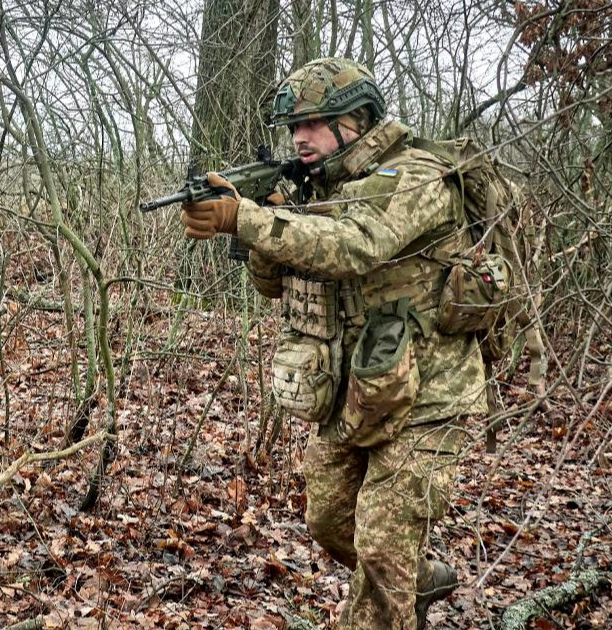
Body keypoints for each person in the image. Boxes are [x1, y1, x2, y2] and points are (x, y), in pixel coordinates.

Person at [180, 58, 488, 630]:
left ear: (358, 119)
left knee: (380, 548)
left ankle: (391, 596)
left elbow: (358, 244)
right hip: (355, 390)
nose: (301, 138)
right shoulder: (317, 187)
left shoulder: (416, 175)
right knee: (327, 523)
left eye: (316, 123)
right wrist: (270, 222)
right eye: (294, 128)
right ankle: (415, 581)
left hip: (431, 394)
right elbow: (273, 286)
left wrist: (244, 220)